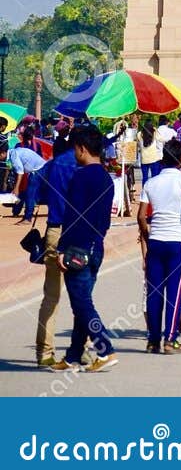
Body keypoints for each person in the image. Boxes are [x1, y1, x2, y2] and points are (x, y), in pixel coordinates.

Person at [55, 124, 118, 373]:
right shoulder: (106, 177)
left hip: (78, 246)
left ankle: (104, 348)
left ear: (81, 148)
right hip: (96, 245)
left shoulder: (80, 176)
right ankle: (73, 355)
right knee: (83, 301)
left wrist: (63, 248)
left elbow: (73, 216)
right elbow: (104, 220)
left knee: (81, 303)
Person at [138, 138, 181, 354]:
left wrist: (148, 234)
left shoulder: (151, 183)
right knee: (175, 290)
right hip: (176, 239)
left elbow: (141, 216)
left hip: (156, 240)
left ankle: (153, 340)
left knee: (154, 291)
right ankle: (170, 339)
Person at [34, 131, 77, 369]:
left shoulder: (52, 165)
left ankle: (44, 353)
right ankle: (80, 350)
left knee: (51, 296)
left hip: (53, 229)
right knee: (81, 296)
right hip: (76, 233)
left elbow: (34, 188)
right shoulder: (82, 166)